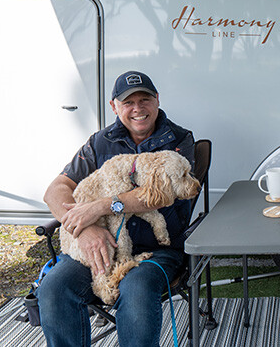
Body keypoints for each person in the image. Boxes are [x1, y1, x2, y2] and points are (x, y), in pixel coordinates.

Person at [37, 71, 195, 346]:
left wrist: (101, 206)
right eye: (128, 102)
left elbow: (159, 197)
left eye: (144, 99)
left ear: (157, 100)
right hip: (98, 247)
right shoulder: (99, 143)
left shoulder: (179, 140)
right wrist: (82, 228)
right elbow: (55, 191)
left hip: (158, 250)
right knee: (53, 287)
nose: (137, 109)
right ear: (114, 106)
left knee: (135, 287)